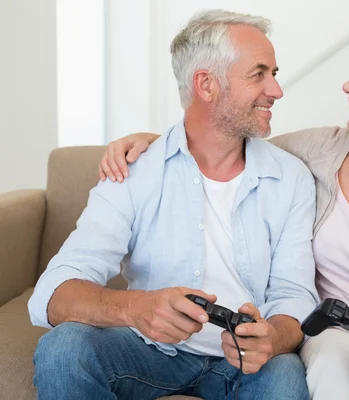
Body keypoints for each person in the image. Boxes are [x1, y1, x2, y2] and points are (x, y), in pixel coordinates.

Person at [100, 15, 349, 400]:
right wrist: (151, 142)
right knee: (331, 363)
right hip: (333, 333)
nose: (348, 85)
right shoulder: (318, 151)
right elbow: (223, 142)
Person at [28, 10, 319, 400]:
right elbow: (53, 292)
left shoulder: (291, 177)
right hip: (149, 352)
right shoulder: (135, 170)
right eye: (259, 74)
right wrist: (136, 309)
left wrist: (274, 336)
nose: (276, 90)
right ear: (206, 84)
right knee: (64, 349)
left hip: (246, 366)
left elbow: (294, 293)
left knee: (284, 376)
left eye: (274, 73)